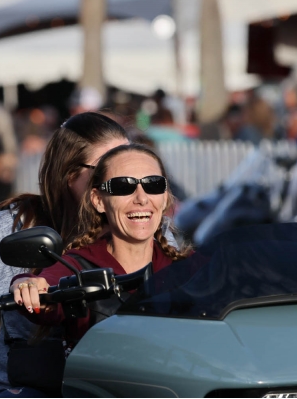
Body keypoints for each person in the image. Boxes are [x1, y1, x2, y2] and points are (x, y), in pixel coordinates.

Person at [0, 112, 129, 398]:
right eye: (106, 171)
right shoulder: (14, 227)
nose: (124, 183)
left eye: (130, 169)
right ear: (69, 174)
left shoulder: (147, 229)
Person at [10, 144, 191, 345]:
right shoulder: (77, 267)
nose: (142, 198)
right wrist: (28, 285)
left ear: (165, 197)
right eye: (123, 187)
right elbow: (46, 288)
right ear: (98, 200)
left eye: (153, 184)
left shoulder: (188, 269)